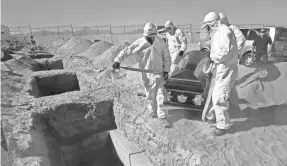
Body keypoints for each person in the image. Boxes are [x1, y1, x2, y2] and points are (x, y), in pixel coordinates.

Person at [112, 23, 172, 128]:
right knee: (150, 94)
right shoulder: (140, 43)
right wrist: (117, 60)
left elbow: (167, 57)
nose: (150, 39)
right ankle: (152, 112)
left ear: (155, 34)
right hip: (147, 74)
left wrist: (166, 70)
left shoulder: (161, 42)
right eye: (148, 37)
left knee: (161, 94)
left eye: (152, 36)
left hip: (159, 73)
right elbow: (128, 51)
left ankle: (163, 117)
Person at [201, 12, 239, 136]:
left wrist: (213, 60)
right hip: (222, 67)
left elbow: (224, 52)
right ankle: (212, 115)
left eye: (207, 26)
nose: (206, 29)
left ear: (212, 24)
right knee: (217, 94)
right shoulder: (218, 33)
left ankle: (223, 126)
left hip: (226, 68)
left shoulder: (223, 31)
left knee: (219, 96)